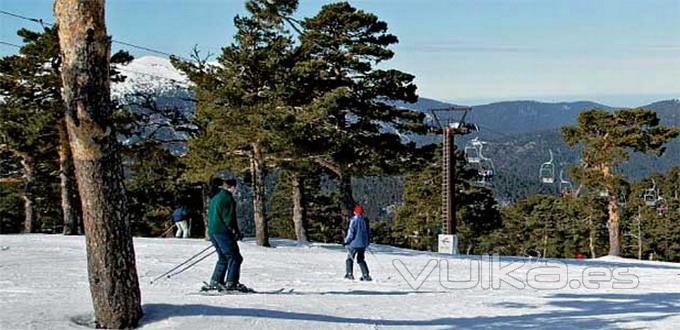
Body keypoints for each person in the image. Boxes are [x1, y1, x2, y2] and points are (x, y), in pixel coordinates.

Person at [203, 178, 249, 292]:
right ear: (232, 187)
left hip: (213, 231)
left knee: (223, 257)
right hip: (223, 231)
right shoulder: (227, 198)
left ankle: (216, 280)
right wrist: (235, 232)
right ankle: (231, 282)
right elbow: (229, 219)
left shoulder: (215, 197)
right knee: (235, 257)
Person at [343, 204, 372, 281]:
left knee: (350, 258)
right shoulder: (365, 221)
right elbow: (368, 233)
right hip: (363, 244)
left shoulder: (354, 220)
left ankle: (349, 274)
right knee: (361, 259)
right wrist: (367, 242)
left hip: (354, 243)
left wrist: (346, 241)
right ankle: (366, 275)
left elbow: (351, 233)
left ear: (355, 212)